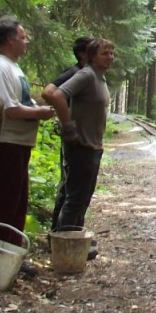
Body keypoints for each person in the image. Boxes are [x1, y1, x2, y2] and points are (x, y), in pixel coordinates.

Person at [41, 38, 115, 248]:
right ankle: (64, 247)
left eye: (111, 53)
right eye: (104, 53)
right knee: (74, 199)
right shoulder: (86, 75)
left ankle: (75, 241)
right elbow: (56, 95)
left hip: (93, 147)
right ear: (91, 56)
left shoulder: (99, 78)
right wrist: (68, 126)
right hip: (81, 146)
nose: (109, 56)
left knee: (82, 198)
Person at [0, 16, 56, 247]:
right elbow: (8, 108)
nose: (26, 41)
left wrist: (35, 107)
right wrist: (39, 112)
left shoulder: (13, 67)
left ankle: (12, 253)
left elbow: (18, 101)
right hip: (6, 144)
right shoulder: (0, 68)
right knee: (4, 204)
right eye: (23, 37)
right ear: (10, 40)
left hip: (19, 144)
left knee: (17, 202)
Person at [45, 36, 93, 231]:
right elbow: (49, 92)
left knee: (74, 190)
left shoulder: (88, 73)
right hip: (75, 140)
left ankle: (71, 234)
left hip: (83, 139)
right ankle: (60, 236)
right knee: (69, 190)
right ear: (82, 53)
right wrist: (67, 123)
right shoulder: (74, 73)